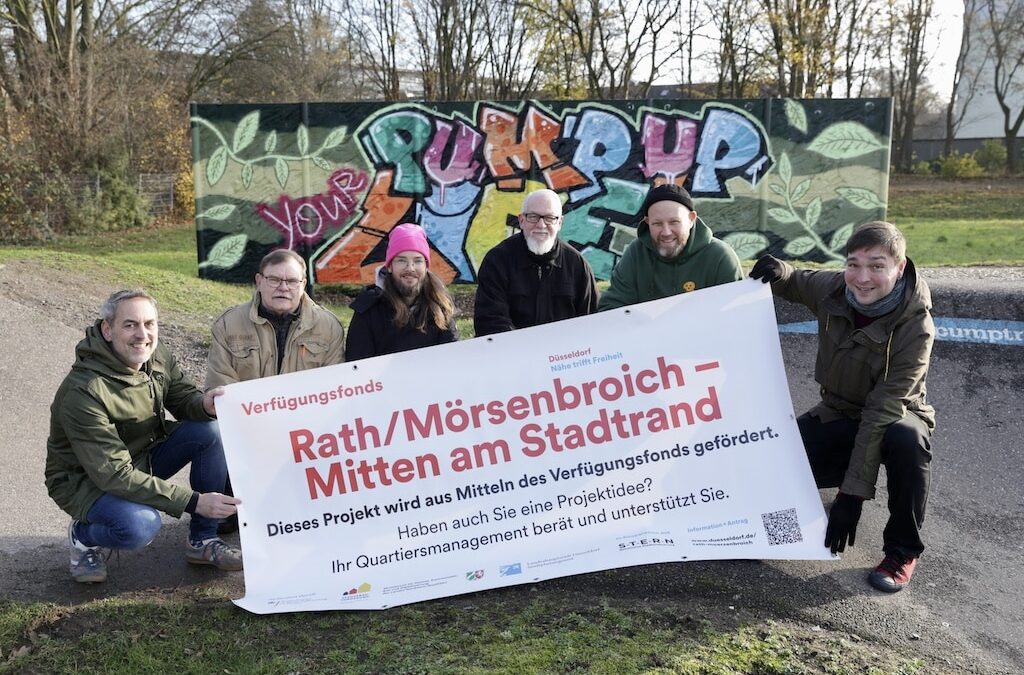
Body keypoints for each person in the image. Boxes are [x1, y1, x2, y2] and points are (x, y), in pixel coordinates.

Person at [750, 221, 934, 593]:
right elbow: (796, 280)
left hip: (896, 414)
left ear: (899, 268)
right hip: (837, 410)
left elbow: (882, 411)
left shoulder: (916, 327)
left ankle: (901, 551)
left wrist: (852, 497)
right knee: (772, 457)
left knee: (906, 443)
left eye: (877, 266)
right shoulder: (836, 287)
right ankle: (772, 530)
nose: (862, 278)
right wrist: (778, 269)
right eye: (854, 264)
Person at [45, 290, 242, 584]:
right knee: (139, 526)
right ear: (107, 329)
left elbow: (182, 397)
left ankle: (203, 540)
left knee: (210, 430)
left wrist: (203, 404)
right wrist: (193, 501)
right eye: (130, 325)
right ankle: (83, 536)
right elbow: (114, 474)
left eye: (150, 324)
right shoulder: (84, 392)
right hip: (87, 480)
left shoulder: (156, 354)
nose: (142, 334)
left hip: (143, 456)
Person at [206, 248, 345, 532]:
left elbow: (335, 392)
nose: (283, 287)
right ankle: (225, 511)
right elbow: (220, 386)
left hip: (306, 436)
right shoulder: (228, 324)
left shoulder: (329, 327)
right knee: (211, 436)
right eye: (274, 280)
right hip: (247, 432)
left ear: (303, 284)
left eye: (292, 281)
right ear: (258, 281)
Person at [598, 183, 743, 310]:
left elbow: (737, 311)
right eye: (657, 224)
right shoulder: (636, 253)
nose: (666, 232)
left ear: (691, 219)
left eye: (674, 222)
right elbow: (612, 308)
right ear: (648, 222)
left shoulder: (719, 256)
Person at [473, 188, 598, 336]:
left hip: (563, 354)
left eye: (550, 218)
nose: (541, 225)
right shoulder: (497, 261)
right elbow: (490, 321)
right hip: (511, 352)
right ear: (521, 220)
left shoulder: (577, 265)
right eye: (533, 217)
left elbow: (591, 322)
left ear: (560, 223)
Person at [346, 223, 459, 359]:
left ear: (426, 266)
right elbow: (357, 366)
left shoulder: (440, 305)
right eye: (401, 260)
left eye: (417, 261)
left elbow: (452, 362)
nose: (410, 268)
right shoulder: (368, 310)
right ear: (389, 266)